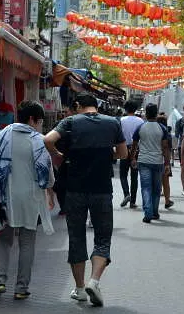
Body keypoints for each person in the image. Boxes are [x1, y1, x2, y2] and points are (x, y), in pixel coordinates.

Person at [44, 93, 128, 307]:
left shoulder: (70, 121)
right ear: (96, 106)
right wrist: (106, 155)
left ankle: (80, 289)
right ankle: (94, 281)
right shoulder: (112, 123)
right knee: (102, 237)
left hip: (75, 190)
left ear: (79, 105)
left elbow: (47, 140)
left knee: (76, 236)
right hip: (101, 189)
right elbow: (123, 153)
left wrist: (60, 154)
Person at [0, 101, 55, 300]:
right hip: (30, 199)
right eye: (39, 121)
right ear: (32, 119)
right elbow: (47, 173)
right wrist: (50, 192)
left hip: (4, 198)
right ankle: (21, 288)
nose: (40, 125)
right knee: (27, 243)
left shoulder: (0, 135)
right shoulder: (39, 140)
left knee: (4, 240)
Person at [132, 104, 172, 223]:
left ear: (146, 114)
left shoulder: (141, 127)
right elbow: (165, 147)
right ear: (156, 113)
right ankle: (154, 212)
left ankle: (148, 212)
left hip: (143, 161)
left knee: (146, 188)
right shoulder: (162, 129)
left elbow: (134, 144)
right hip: (157, 162)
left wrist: (133, 158)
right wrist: (167, 163)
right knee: (156, 188)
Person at [118, 100, 142, 208]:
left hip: (124, 149)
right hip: (136, 150)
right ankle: (133, 201)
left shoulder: (121, 120)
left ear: (126, 109)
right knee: (134, 176)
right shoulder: (140, 121)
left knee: (123, 174)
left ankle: (126, 193)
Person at [157, 112, 174, 210]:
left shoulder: (154, 131)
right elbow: (169, 148)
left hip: (155, 159)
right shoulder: (167, 133)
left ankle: (154, 201)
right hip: (164, 159)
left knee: (156, 181)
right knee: (166, 182)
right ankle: (167, 201)